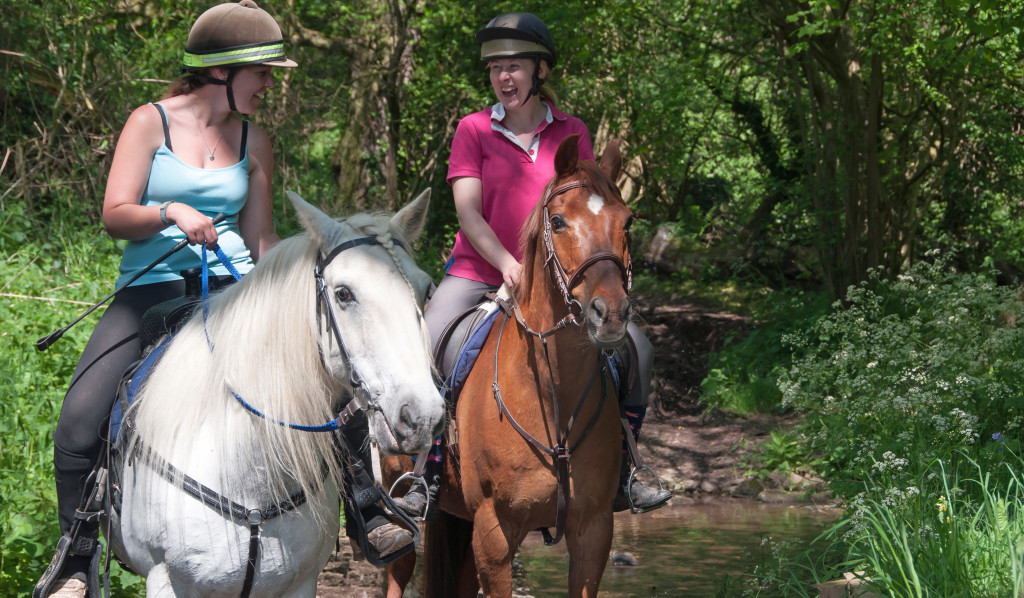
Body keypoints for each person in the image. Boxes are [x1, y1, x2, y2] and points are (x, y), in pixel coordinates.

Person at [36, 3, 407, 597]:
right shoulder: (148, 123)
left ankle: (366, 510)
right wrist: (171, 212)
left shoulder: (252, 137)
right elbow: (114, 215)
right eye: (262, 73)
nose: (269, 85)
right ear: (222, 71)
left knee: (332, 383)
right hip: (151, 290)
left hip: (236, 291)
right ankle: (75, 560)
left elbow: (260, 240)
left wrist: (296, 275)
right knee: (79, 419)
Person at [393, 12, 671, 522]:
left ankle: (627, 468)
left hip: (560, 280)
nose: (504, 77)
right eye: (496, 67)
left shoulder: (572, 132)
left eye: (515, 66)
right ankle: (426, 471)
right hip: (479, 270)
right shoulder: (473, 130)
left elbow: (589, 210)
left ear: (540, 70)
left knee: (640, 350)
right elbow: (468, 212)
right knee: (429, 340)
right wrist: (506, 263)